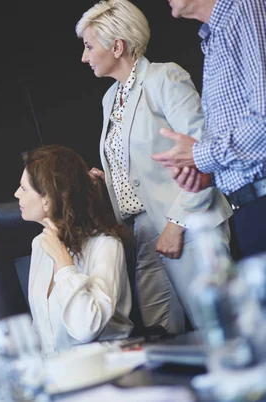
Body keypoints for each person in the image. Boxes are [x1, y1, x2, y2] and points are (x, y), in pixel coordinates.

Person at [77, 0, 232, 333]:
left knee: (220, 330)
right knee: (161, 335)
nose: (84, 57)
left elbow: (202, 155)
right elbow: (137, 164)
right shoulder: (110, 98)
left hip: (188, 224)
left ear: (117, 46)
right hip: (142, 231)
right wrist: (107, 180)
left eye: (89, 47)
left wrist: (177, 225)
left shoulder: (166, 78)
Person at [152, 0, 266, 259]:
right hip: (248, 209)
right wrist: (208, 175)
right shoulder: (215, 35)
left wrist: (200, 156)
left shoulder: (246, 9)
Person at [15, 145, 133, 354]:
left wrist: (64, 265)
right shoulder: (39, 244)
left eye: (23, 189)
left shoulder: (105, 246)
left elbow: (86, 328)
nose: (16, 194)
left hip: (104, 370)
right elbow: (42, 329)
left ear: (47, 199)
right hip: (58, 376)